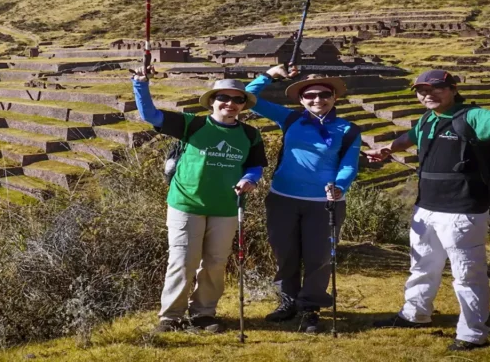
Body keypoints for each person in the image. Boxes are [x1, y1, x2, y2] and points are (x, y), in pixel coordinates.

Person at [366, 69, 490, 351]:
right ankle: (415, 314)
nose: (428, 94)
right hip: (425, 209)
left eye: (436, 88)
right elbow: (409, 137)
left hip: (463, 211)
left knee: (467, 274)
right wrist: (389, 147)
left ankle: (472, 332)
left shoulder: (471, 117)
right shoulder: (427, 119)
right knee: (422, 266)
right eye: (422, 90)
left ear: (452, 89)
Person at [132, 69, 268, 334]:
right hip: (186, 205)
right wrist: (140, 84)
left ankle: (204, 314)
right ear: (212, 101)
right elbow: (150, 115)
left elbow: (255, 167)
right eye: (223, 98)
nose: (230, 103)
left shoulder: (251, 135)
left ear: (243, 105)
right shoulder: (191, 124)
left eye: (237, 100)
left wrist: (249, 180)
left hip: (227, 207)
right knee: (183, 261)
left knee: (215, 263)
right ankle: (171, 316)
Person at [244, 65, 361, 333]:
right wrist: (270, 75)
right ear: (300, 100)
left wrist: (340, 186)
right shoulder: (289, 119)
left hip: (325, 203)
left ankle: (310, 307)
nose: (317, 100)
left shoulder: (348, 129)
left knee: (318, 257)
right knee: (284, 253)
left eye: (324, 94)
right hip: (283, 198)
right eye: (310, 95)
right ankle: (288, 301)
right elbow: (249, 98)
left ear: (334, 98)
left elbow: (349, 165)